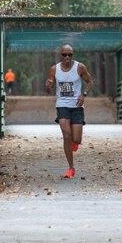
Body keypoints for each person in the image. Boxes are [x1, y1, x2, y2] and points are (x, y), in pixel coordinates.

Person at [45, 44, 93, 178]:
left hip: (77, 105)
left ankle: (74, 143)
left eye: (70, 55)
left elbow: (90, 82)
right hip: (62, 105)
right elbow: (49, 88)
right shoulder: (54, 69)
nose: (67, 57)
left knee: (76, 139)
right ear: (60, 55)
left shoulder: (80, 67)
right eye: (64, 54)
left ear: (73, 55)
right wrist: (48, 86)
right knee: (66, 135)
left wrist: (84, 94)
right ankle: (71, 168)